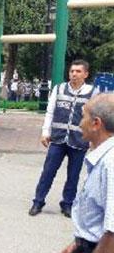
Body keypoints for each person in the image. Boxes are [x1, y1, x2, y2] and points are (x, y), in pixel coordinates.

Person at [60, 93, 114, 253]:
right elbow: (100, 211)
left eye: (83, 116)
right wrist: (80, 240)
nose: (79, 122)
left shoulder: (110, 164)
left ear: (96, 123)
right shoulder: (101, 157)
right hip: (92, 248)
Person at [30, 60, 99, 218]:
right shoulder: (59, 88)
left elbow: (96, 117)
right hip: (58, 139)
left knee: (73, 176)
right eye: (72, 71)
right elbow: (50, 111)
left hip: (79, 141)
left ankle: (67, 204)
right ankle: (38, 201)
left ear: (86, 74)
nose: (74, 74)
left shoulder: (93, 92)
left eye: (78, 71)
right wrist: (45, 132)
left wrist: (93, 139)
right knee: (48, 172)